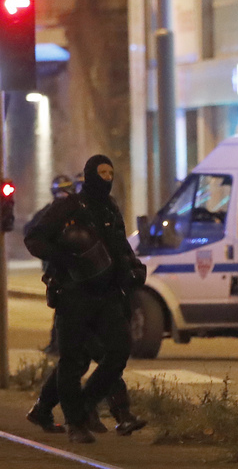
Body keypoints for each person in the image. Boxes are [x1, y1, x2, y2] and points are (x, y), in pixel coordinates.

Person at [24, 155, 147, 444]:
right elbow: (35, 239)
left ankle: (85, 404)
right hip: (74, 294)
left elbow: (119, 243)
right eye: (101, 172)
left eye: (110, 172)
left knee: (118, 351)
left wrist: (133, 266)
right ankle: (75, 423)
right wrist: (65, 258)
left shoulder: (111, 207)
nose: (106, 177)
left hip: (107, 295)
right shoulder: (68, 206)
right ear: (90, 175)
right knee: (72, 360)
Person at [24, 174, 76, 355]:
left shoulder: (80, 210)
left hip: (75, 269)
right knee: (62, 306)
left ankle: (62, 345)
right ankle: (57, 345)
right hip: (57, 268)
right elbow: (30, 233)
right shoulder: (50, 212)